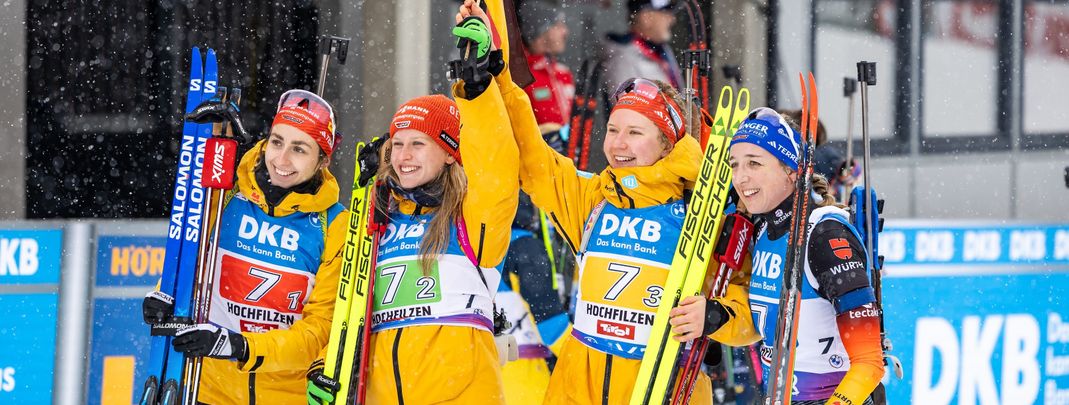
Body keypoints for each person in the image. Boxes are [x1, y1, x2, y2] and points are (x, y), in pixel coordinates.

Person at [463, 2, 763, 397]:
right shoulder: (593, 198)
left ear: (666, 142)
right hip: (576, 388)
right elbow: (531, 154)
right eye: (614, 129)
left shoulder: (703, 211)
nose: (618, 144)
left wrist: (716, 316)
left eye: (636, 133)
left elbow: (756, 308)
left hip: (664, 387)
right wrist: (494, 75)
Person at [306, 3, 519, 403]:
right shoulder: (373, 221)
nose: (404, 155)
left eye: (419, 144)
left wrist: (479, 90)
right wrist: (326, 363)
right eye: (397, 144)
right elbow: (346, 307)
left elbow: (498, 169)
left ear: (451, 152)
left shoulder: (472, 219)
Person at [142, 89, 349, 404]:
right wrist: (165, 294)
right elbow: (189, 260)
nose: (281, 160)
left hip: (284, 396)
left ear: (324, 158)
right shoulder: (224, 195)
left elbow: (319, 333)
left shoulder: (335, 225)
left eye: (300, 149)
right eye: (277, 142)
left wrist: (240, 346)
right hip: (207, 388)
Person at [728, 107, 885, 404]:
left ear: (791, 170)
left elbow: (869, 363)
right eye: (735, 165)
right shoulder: (764, 233)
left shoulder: (825, 235)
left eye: (754, 163)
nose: (741, 177)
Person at [497, 193, 571, 405]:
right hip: (524, 373)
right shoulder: (526, 247)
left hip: (482, 371)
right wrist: (586, 363)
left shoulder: (471, 245)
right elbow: (550, 323)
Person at [517, 0, 575, 137]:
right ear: (542, 30)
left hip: (568, 157)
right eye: (559, 25)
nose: (565, 32)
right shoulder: (519, 74)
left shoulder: (563, 73)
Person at [602, 0, 684, 90]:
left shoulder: (661, 50)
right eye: (666, 13)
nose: (672, 20)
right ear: (646, 18)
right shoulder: (623, 60)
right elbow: (627, 103)